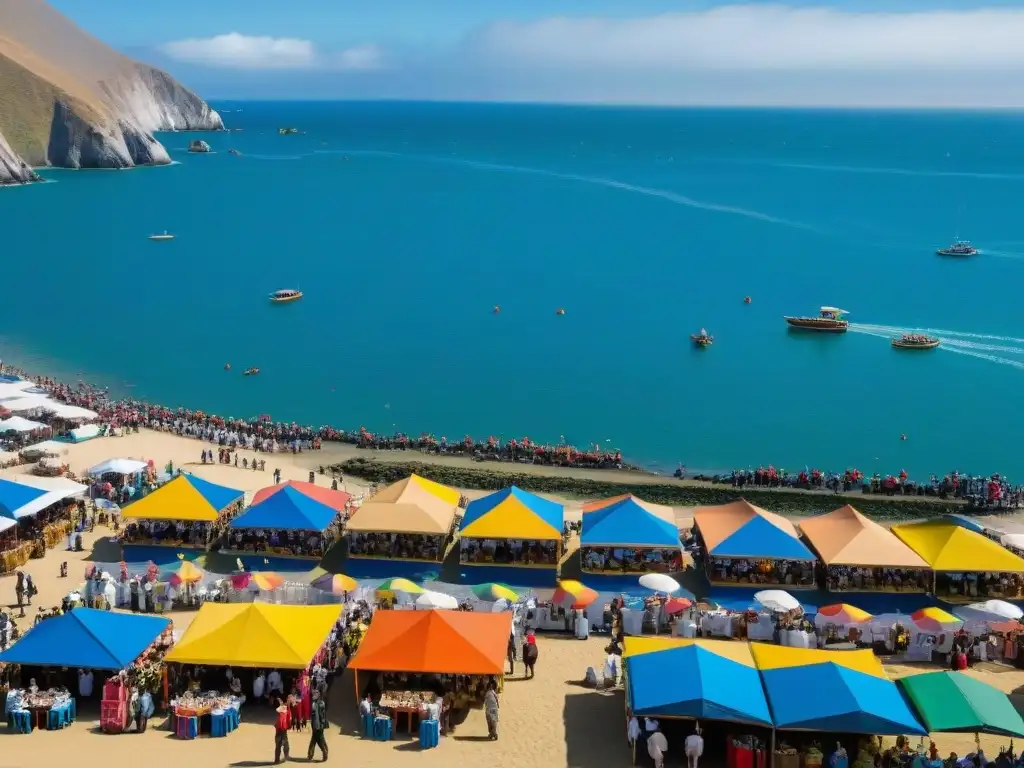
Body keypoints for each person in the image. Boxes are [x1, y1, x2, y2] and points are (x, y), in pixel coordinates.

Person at [307, 689, 328, 762]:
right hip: (321, 724)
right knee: (318, 738)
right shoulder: (322, 703)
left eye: (315, 695)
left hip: (317, 725)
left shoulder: (314, 704)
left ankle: (324, 751)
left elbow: (314, 716)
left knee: (318, 739)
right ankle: (311, 754)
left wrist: (314, 725)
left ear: (318, 696)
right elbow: (323, 715)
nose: (313, 696)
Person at [274, 697, 291, 764]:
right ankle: (284, 757)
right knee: (284, 744)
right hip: (281, 730)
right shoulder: (282, 708)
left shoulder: (286, 709)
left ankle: (278, 759)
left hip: (281, 729)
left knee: (280, 745)